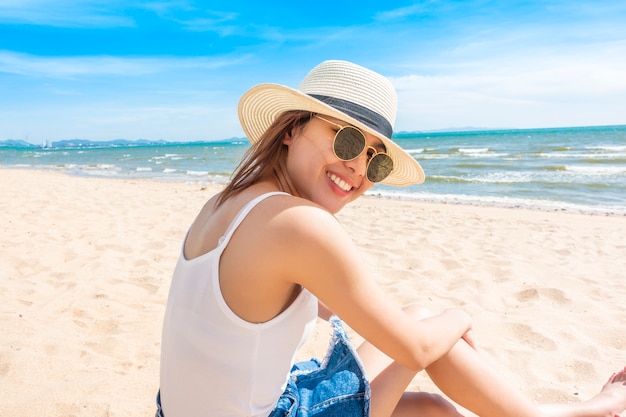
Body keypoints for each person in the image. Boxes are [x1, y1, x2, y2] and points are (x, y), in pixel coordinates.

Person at [156, 60, 626, 417]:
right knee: (429, 352)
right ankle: (572, 413)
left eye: (376, 161)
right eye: (346, 141)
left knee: (427, 397)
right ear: (292, 128)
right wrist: (459, 316)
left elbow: (291, 305)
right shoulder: (298, 223)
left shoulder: (231, 201)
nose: (359, 168)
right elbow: (416, 350)